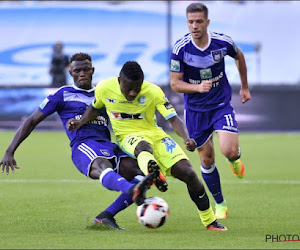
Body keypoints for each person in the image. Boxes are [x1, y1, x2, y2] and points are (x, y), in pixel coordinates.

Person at [0, 53, 155, 230]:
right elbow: (31, 120)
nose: (82, 73)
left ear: (92, 71)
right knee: (103, 166)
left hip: (109, 145)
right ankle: (131, 191)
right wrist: (10, 151)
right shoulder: (62, 94)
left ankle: (106, 216)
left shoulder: (103, 93)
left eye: (86, 69)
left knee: (143, 173)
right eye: (77, 70)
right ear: (70, 71)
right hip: (84, 145)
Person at [67, 61, 227, 231]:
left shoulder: (153, 91)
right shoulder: (104, 87)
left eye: (137, 87)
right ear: (119, 80)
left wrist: (187, 138)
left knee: (190, 175)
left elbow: (173, 118)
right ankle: (153, 173)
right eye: (128, 87)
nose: (133, 92)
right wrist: (80, 122)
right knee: (143, 147)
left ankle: (210, 221)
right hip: (128, 136)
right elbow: (95, 107)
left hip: (156, 136)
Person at [170, 2, 251, 219]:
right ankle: (221, 203)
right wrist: (196, 87)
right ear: (187, 23)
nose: (194, 26)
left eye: (198, 21)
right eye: (190, 22)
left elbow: (239, 56)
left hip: (220, 105)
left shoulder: (222, 42)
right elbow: (175, 84)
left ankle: (235, 159)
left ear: (207, 22)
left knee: (229, 150)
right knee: (206, 159)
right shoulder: (180, 49)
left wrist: (244, 86)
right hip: (195, 111)